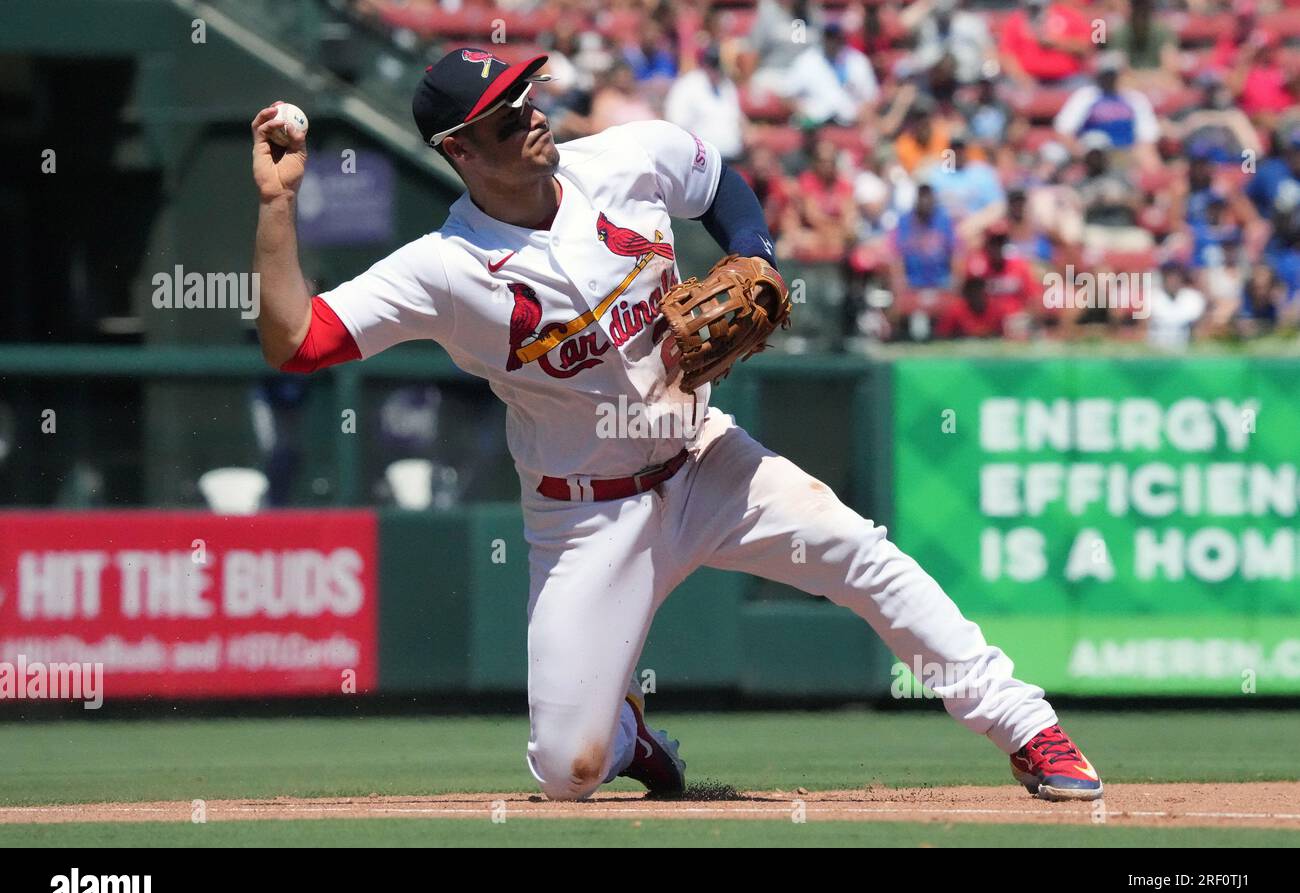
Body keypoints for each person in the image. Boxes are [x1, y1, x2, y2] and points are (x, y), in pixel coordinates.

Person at [249, 48, 1104, 803]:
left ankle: (1029, 731)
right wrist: (279, 206)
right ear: (461, 151)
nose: (533, 118)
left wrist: (756, 252)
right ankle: (627, 737)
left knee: (865, 555)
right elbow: (297, 341)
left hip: (705, 458)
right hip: (585, 514)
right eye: (507, 117)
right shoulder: (441, 269)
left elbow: (714, 178)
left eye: (530, 96)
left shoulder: (624, 158)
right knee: (564, 771)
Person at [664, 45, 746, 161]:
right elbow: (677, 123)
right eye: (715, 66)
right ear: (706, 64)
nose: (718, 72)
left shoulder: (727, 85)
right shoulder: (688, 85)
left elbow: (737, 119)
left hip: (733, 157)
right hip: (703, 162)